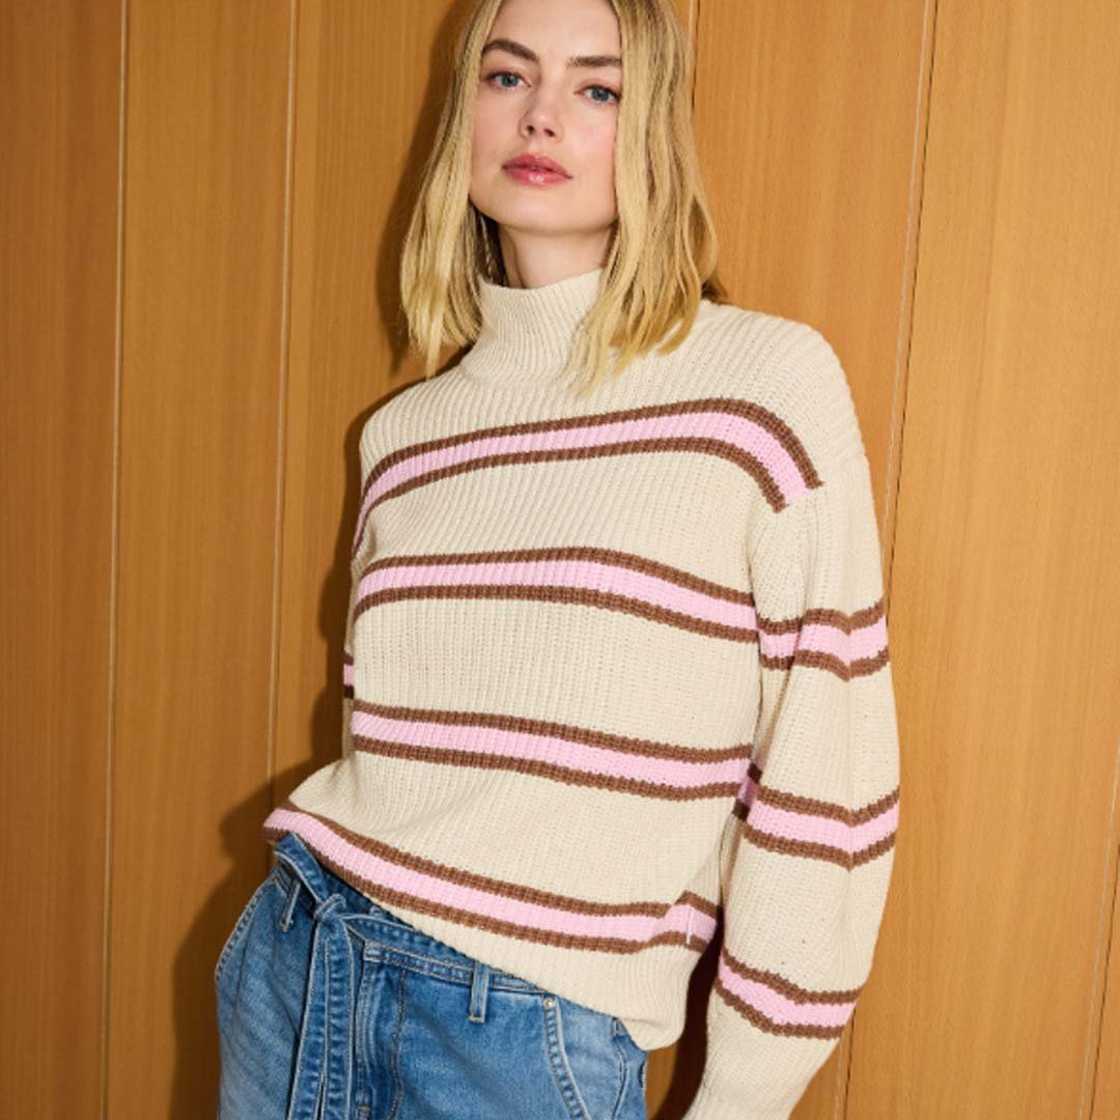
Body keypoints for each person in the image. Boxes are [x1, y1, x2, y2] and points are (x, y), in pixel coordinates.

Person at [214, 0, 901, 1117]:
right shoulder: (404, 439)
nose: (541, 117)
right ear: (466, 113)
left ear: (652, 129)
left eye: (596, 88)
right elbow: (392, 744)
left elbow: (831, 774)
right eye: (507, 77)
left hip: (521, 1037)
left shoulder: (762, 391)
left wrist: (744, 1096)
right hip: (300, 960)